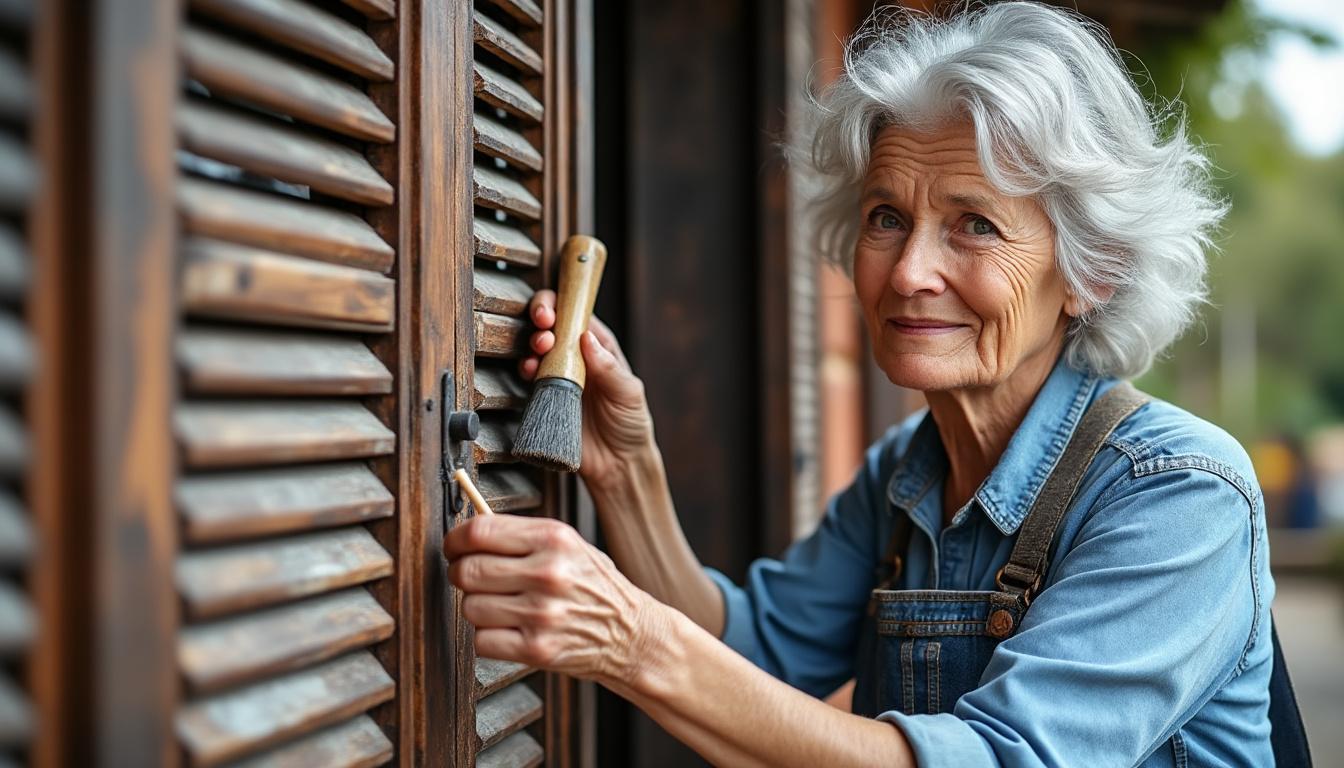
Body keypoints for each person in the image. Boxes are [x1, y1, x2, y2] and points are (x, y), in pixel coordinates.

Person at [443, 3, 1276, 765]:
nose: (910, 271)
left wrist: (630, 639)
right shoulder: (907, 473)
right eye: (887, 218)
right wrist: (625, 469)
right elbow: (753, 656)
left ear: (1095, 271)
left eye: (974, 225)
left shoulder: (1180, 495)